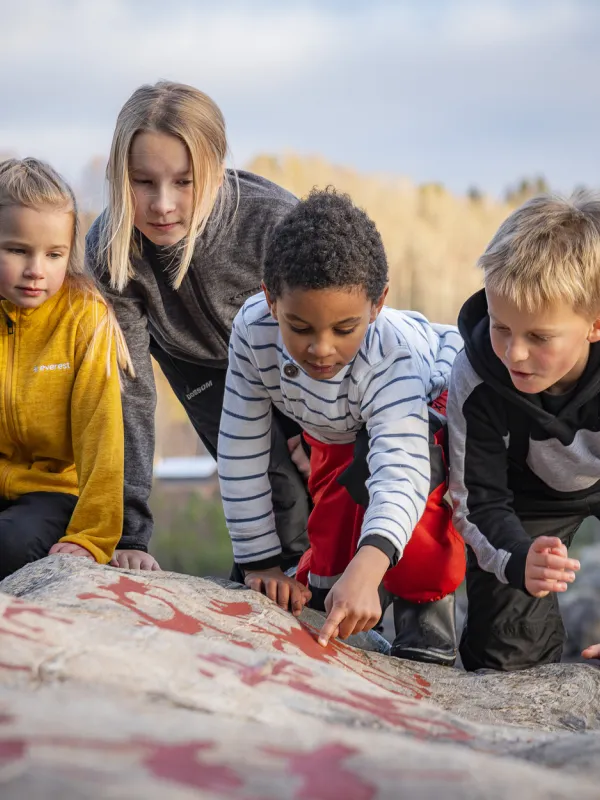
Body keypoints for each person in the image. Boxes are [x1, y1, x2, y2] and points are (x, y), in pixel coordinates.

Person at [217, 188, 466, 665]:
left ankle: (427, 633)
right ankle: (343, 613)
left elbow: (402, 473)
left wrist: (370, 567)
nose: (322, 349)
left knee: (418, 529)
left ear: (377, 305)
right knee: (332, 539)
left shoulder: (391, 356)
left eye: (343, 329)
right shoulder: (252, 331)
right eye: (301, 327)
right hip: (335, 425)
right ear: (270, 299)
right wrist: (260, 563)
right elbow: (241, 446)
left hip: (423, 414)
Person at [85, 81, 310, 571]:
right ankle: (254, 585)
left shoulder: (273, 223)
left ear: (215, 169)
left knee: (314, 487)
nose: (162, 204)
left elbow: (337, 331)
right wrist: (130, 535)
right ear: (120, 175)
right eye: (143, 182)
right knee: (268, 491)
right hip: (199, 368)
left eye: (183, 182)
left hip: (294, 366)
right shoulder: (112, 248)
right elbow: (130, 390)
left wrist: (320, 427)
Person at [448, 192, 600, 672]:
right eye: (501, 328)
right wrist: (518, 560)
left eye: (539, 337)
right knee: (507, 658)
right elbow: (477, 500)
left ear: (594, 325)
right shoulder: (477, 376)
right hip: (527, 499)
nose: (513, 354)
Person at [0, 157, 132, 578]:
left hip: (52, 494)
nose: (36, 270)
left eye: (54, 254)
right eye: (17, 250)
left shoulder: (83, 317)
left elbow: (102, 437)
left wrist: (90, 537)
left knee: (8, 544)